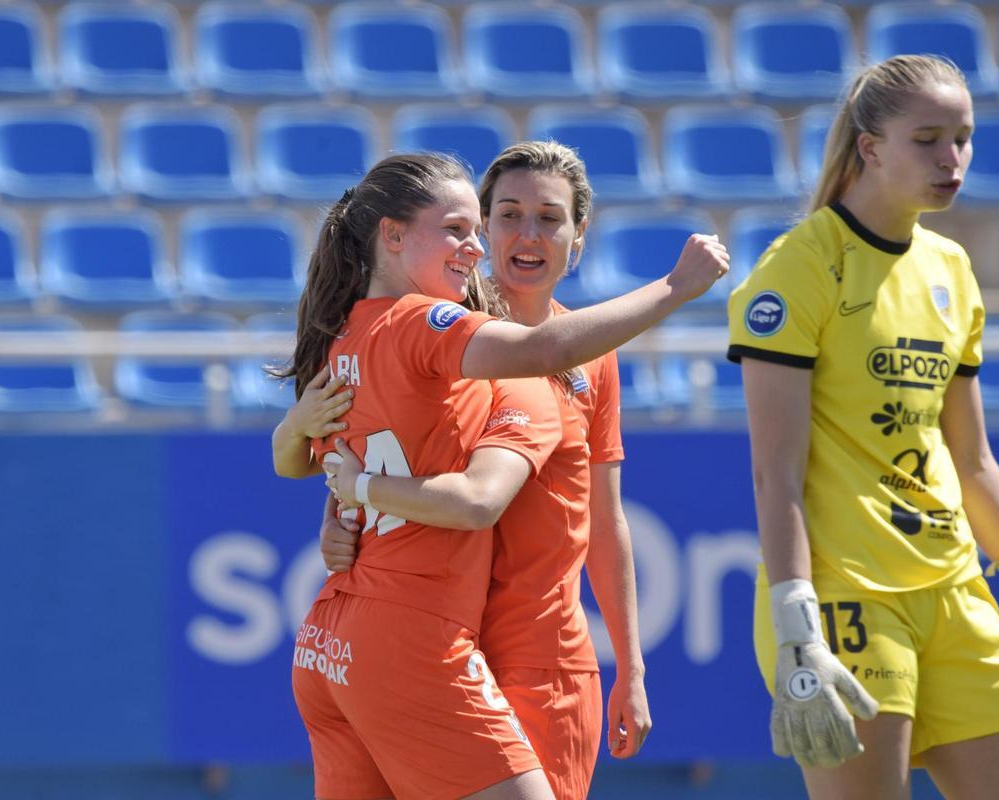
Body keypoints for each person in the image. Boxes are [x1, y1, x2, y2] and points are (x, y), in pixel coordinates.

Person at [281, 152, 728, 799]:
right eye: (507, 216)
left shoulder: (575, 362)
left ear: (578, 242)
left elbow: (601, 518)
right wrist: (334, 493)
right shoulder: (433, 331)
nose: (527, 235)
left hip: (528, 656)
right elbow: (405, 473)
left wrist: (631, 666)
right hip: (430, 640)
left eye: (550, 219)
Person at [727, 54, 999, 800]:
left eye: (962, 138)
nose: (951, 158)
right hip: (846, 599)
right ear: (870, 147)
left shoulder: (953, 269)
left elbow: (973, 462)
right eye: (928, 138)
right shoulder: (800, 265)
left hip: (958, 593)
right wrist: (797, 623)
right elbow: (777, 470)